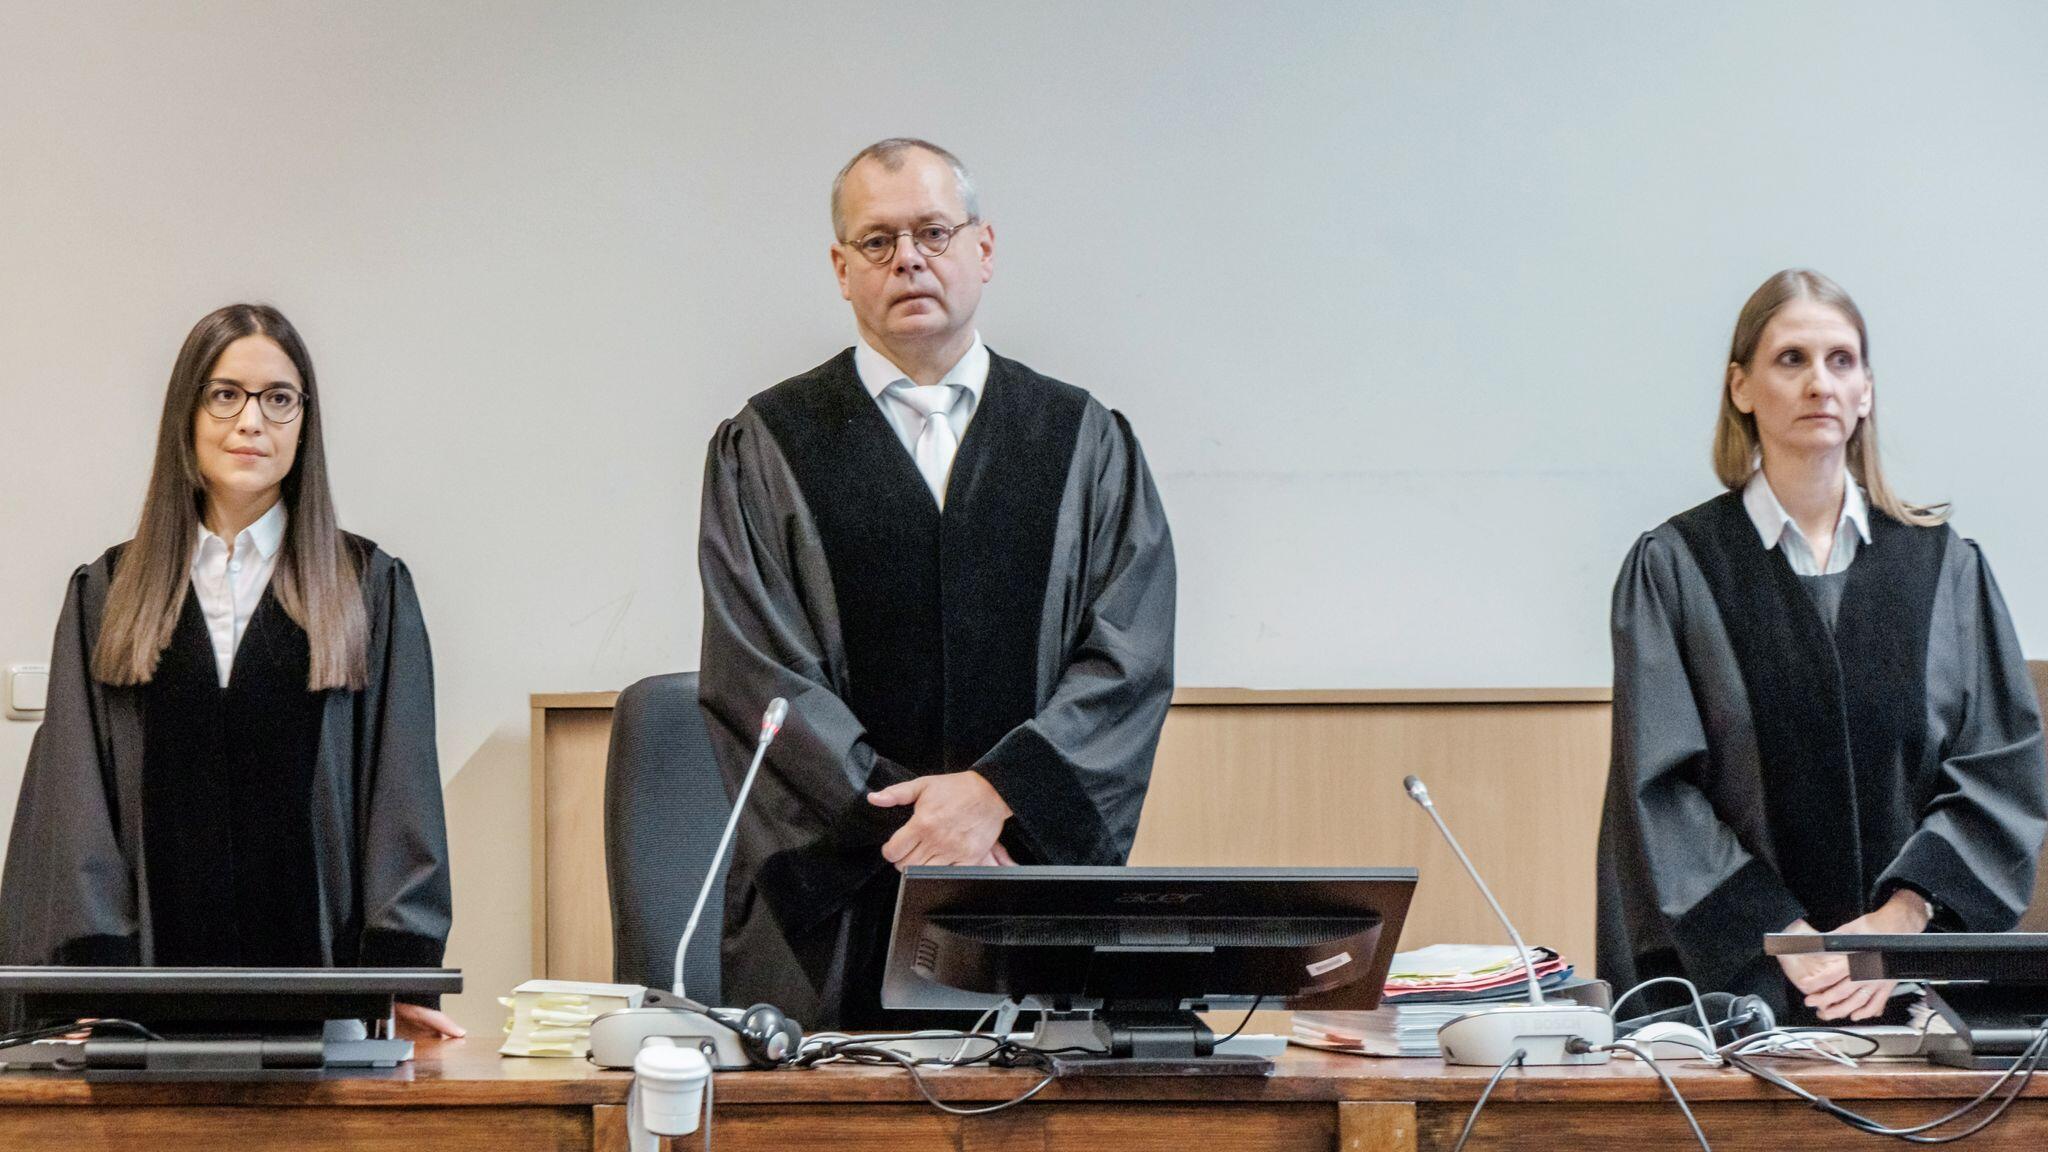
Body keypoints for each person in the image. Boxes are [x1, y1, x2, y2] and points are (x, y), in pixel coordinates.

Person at [697, 138, 1176, 1029]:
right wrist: (918, 831)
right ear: (841, 269)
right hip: (832, 921)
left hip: (1026, 885)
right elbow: (758, 675)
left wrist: (1000, 795)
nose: (908, 259)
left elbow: (1127, 660)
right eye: (877, 241)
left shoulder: (1080, 440)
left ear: (983, 249)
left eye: (933, 232)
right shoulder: (766, 444)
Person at [1596, 269, 2048, 1024]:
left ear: (1866, 389)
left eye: (1841, 360)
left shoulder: (1944, 569)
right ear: (1741, 387)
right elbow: (1661, 793)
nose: (1820, 383)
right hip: (1741, 1001)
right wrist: (1786, 940)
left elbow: (1999, 770)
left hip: (1917, 996)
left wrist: (1901, 924)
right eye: (1791, 359)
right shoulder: (1677, 567)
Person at [0, 304, 461, 1038]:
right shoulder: (110, 592)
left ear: (304, 422)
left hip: (326, 1011)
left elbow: (402, 791)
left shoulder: (365, 587)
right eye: (226, 395)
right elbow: (75, 798)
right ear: (186, 413)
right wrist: (89, 973)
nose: (252, 421)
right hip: (137, 1013)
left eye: (278, 398)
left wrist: (400, 974)